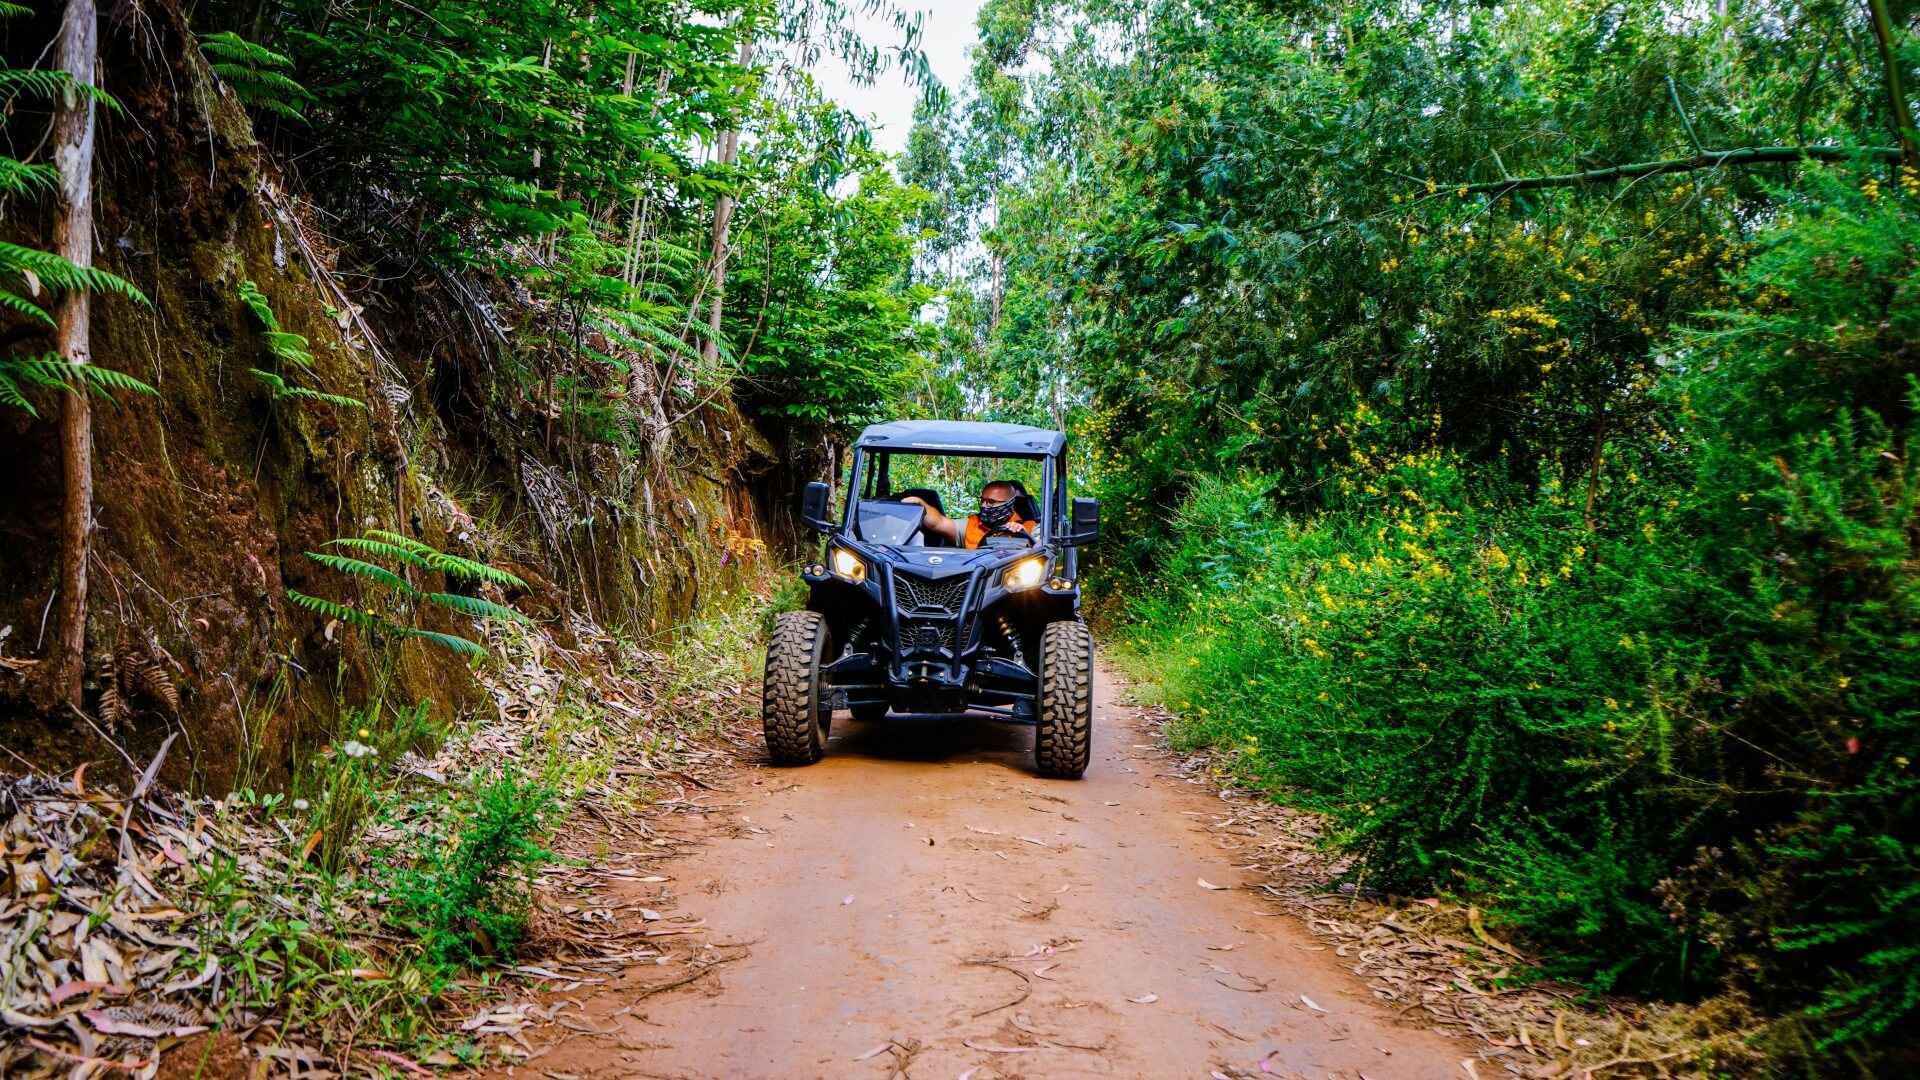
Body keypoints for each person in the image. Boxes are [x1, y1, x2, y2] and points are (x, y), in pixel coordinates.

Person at [904, 480, 1038, 548]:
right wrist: (920, 503)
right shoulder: (971, 524)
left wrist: (1024, 534)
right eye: (982, 501)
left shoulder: (1030, 527)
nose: (984, 506)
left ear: (1009, 503)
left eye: (991, 502)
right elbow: (938, 522)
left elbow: (1045, 551)